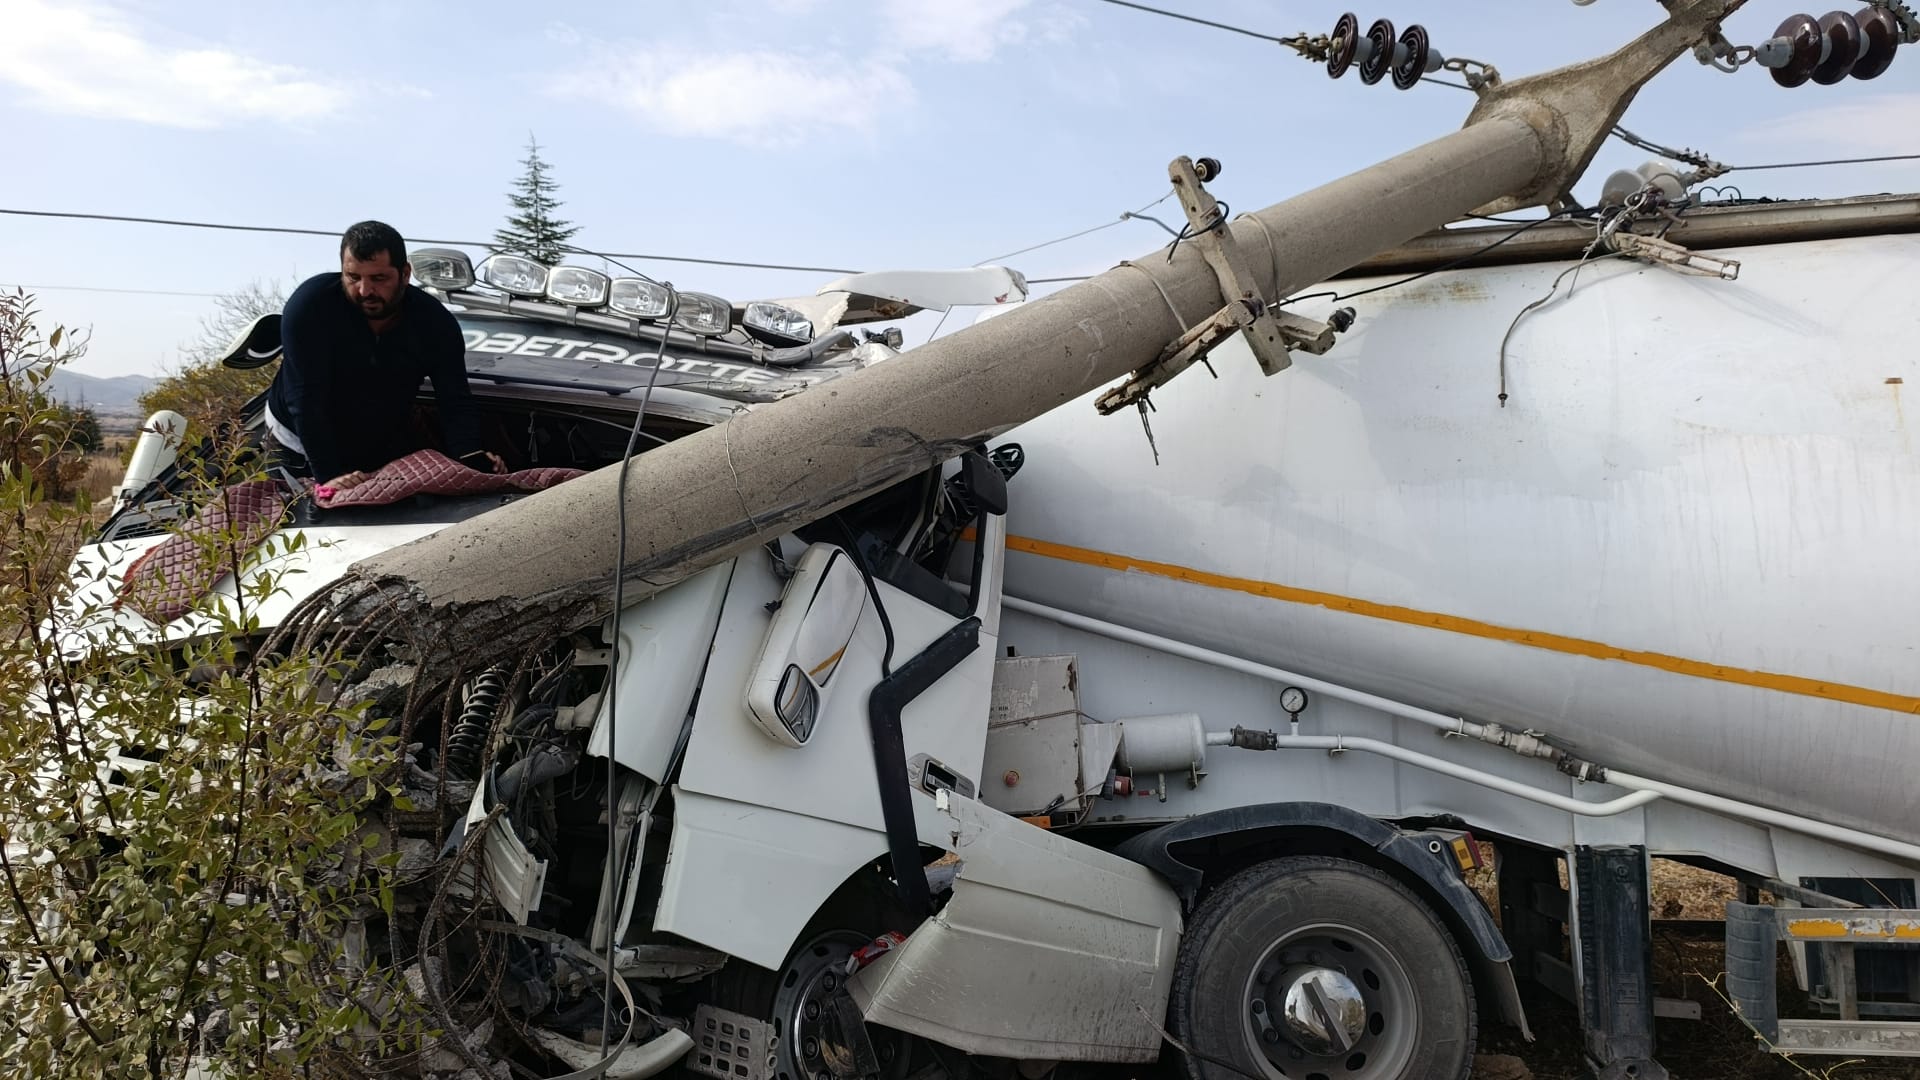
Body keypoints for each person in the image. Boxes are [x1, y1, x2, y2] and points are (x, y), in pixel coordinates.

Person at [264, 220, 503, 490]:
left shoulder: (434, 323)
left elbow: (454, 399)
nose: (365, 291)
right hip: (296, 436)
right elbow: (304, 399)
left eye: (379, 279)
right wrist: (329, 477)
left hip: (373, 440)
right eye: (353, 278)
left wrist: (470, 458)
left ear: (405, 274)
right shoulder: (310, 308)